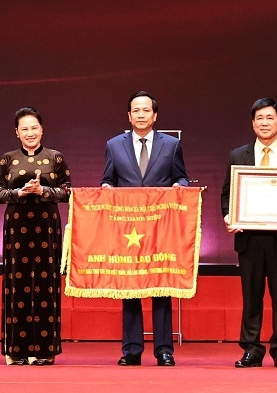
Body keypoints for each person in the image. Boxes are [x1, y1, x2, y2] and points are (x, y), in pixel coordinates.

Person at [221, 98, 277, 369]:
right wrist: (229, 215)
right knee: (251, 296)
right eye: (259, 118)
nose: (264, 123)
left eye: (270, 118)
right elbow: (228, 193)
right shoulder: (238, 155)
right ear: (252, 123)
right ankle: (252, 349)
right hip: (249, 238)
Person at [101, 91, 189, 367]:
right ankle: (132, 350)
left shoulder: (171, 145)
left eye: (146, 110)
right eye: (135, 110)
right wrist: (106, 188)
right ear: (129, 116)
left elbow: (181, 177)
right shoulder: (114, 145)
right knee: (130, 288)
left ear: (155, 115)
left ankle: (164, 350)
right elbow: (108, 179)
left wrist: (181, 187)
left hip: (160, 225)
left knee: (161, 287)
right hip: (128, 228)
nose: (141, 114)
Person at [0, 107, 71, 366]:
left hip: (47, 227)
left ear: (42, 129)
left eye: (34, 127)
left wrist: (44, 190)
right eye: (24, 129)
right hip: (16, 228)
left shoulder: (55, 158)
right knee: (17, 284)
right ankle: (16, 349)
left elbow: (68, 192)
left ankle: (46, 349)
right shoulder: (7, 159)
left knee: (46, 284)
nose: (30, 133)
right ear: (16, 132)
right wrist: (19, 194)